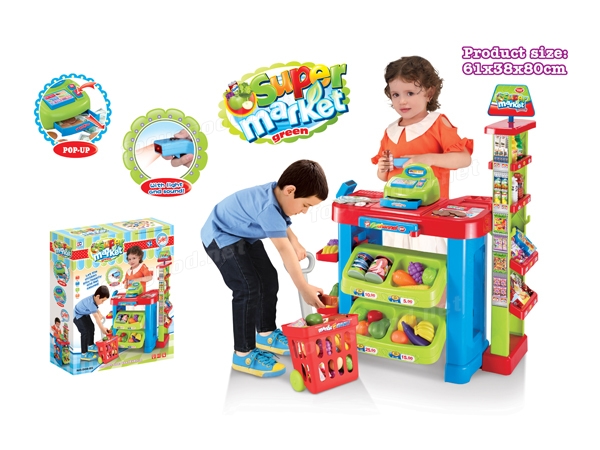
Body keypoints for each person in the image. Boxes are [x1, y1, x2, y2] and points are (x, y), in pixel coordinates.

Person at [201, 159, 328, 378]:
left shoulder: (276, 193)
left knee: (268, 277)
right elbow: (283, 250)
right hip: (220, 236)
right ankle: (243, 354)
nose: (305, 211)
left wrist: (295, 241)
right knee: (247, 288)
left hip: (242, 233)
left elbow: (282, 223)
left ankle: (266, 333)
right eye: (306, 205)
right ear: (290, 190)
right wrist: (303, 288)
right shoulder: (268, 208)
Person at [372, 55, 473, 253]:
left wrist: (427, 158)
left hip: (431, 212)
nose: (402, 101)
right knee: (396, 258)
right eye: (395, 94)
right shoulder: (390, 131)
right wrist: (382, 169)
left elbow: (464, 158)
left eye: (410, 93)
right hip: (395, 211)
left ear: (429, 93)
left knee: (431, 259)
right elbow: (385, 177)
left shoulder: (437, 123)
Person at [73, 285, 111, 356]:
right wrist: (103, 329)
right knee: (84, 332)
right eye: (102, 300)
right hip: (77, 315)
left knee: (91, 326)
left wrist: (100, 314)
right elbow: (96, 317)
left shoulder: (94, 298)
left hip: (84, 313)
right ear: (98, 296)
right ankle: (84, 353)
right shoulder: (90, 303)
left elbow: (95, 309)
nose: (102, 302)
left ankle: (90, 345)